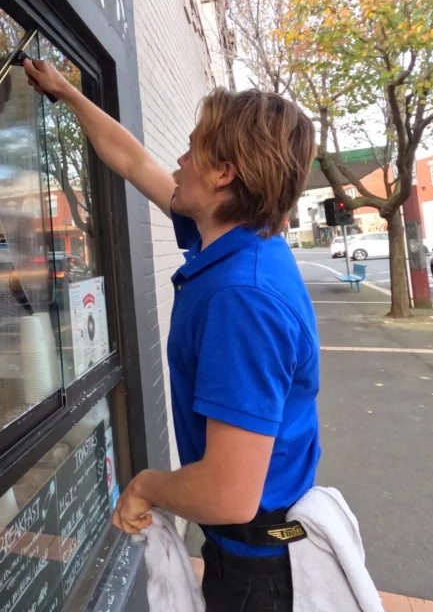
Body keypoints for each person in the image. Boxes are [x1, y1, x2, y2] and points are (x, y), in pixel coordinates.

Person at [23, 58, 320, 612]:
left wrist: (145, 486)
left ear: (224, 173)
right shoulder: (237, 242)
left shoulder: (242, 299)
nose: (178, 161)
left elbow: (228, 494)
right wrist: (66, 90)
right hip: (255, 556)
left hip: (260, 578)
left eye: (191, 150)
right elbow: (133, 160)